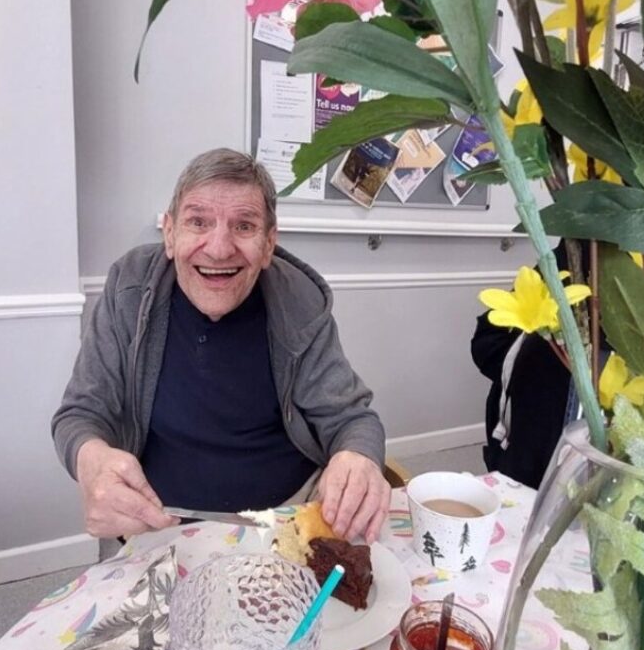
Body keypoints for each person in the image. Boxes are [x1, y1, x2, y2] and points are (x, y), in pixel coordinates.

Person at [52, 149, 390, 542]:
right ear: (170, 234)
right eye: (198, 222)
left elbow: (352, 419)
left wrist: (359, 457)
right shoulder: (129, 288)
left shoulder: (299, 300)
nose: (218, 248)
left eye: (244, 226)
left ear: (268, 245)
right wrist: (90, 457)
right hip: (163, 522)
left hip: (286, 519)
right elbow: (80, 412)